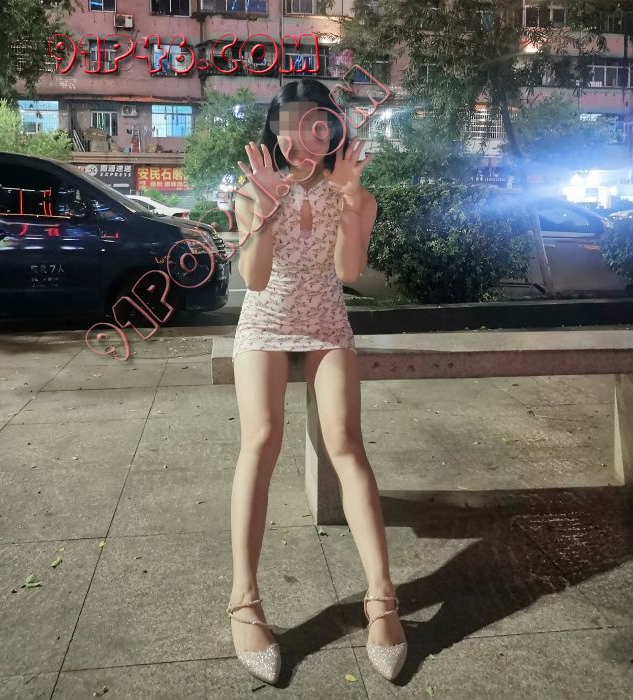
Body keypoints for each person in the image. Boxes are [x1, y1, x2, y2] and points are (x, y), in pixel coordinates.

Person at [225, 78, 408, 685]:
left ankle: (381, 597)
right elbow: (254, 279)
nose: (301, 138)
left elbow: (348, 270)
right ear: (275, 134)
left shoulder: (355, 193)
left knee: (346, 444)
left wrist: (351, 201)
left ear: (332, 130)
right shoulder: (254, 189)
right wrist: (265, 207)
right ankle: (244, 599)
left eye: (315, 124)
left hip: (326, 318)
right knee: (261, 440)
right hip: (266, 319)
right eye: (289, 127)